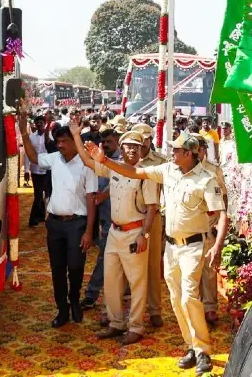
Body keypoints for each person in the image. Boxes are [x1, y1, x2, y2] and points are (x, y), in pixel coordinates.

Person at [75, 131, 227, 376]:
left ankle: (203, 350)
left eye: (176, 150)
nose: (172, 153)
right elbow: (134, 172)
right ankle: (191, 344)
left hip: (193, 247)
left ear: (188, 154)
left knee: (189, 297)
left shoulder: (206, 180)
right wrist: (104, 161)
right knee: (176, 300)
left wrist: (216, 246)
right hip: (172, 248)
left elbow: (220, 214)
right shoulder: (167, 170)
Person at [72, 126, 160, 345]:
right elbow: (87, 162)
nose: (132, 150)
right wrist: (76, 135)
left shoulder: (145, 174)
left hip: (134, 233)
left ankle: (136, 327)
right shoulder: (113, 168)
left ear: (142, 150)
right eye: (128, 146)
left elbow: (152, 209)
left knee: (137, 283)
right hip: (114, 232)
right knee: (111, 281)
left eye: (136, 147)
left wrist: (144, 236)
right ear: (121, 148)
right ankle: (116, 323)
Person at [19, 103, 96, 328]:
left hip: (77, 225)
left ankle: (75, 301)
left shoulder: (86, 165)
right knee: (57, 270)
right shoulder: (53, 159)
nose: (60, 145)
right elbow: (33, 157)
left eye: (64, 141)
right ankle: (62, 309)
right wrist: (24, 133)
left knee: (75, 266)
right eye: (58, 142)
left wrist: (89, 232)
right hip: (54, 224)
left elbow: (91, 200)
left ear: (74, 142)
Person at [81, 128, 121, 313]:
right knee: (105, 260)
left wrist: (105, 195)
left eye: (109, 142)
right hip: (107, 221)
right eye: (104, 143)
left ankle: (92, 295)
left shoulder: (123, 161)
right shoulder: (101, 159)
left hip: (125, 222)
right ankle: (94, 296)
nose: (106, 145)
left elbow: (120, 181)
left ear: (118, 142)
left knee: (110, 261)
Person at [132, 122, 167, 328]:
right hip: (130, 217)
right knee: (131, 265)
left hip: (152, 218)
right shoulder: (128, 159)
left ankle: (154, 309)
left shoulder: (161, 161)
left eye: (145, 139)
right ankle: (134, 309)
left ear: (151, 139)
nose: (142, 143)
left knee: (153, 265)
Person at [192, 134, 228, 325]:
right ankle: (195, 308)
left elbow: (223, 198)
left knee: (209, 270)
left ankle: (210, 308)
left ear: (204, 149)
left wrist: (219, 223)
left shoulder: (214, 170)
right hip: (190, 226)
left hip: (208, 225)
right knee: (191, 270)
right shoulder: (183, 169)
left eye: (197, 148)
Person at [27, 115, 50, 227]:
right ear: (35, 125)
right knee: (38, 195)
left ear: (44, 124)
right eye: (37, 123)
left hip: (47, 169)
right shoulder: (32, 137)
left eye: (41, 123)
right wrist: (26, 170)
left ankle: (41, 216)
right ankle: (33, 219)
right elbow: (28, 154)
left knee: (47, 194)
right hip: (35, 170)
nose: (39, 125)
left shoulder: (50, 136)